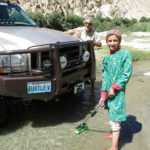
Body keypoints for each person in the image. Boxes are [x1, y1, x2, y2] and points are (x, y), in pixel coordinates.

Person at [99, 29, 132, 150]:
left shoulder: (126, 54)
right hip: (109, 92)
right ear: (106, 42)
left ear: (119, 41)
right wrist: (103, 95)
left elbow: (126, 74)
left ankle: (114, 147)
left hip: (118, 91)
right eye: (109, 41)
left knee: (115, 116)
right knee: (112, 113)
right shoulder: (106, 59)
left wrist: (114, 87)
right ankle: (115, 134)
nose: (112, 43)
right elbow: (105, 77)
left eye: (115, 40)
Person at [66, 17, 102, 88]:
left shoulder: (94, 33)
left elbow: (100, 44)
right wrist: (75, 32)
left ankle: (93, 87)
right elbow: (67, 32)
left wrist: (92, 42)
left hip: (90, 53)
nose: (87, 25)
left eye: (89, 24)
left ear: (92, 25)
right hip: (78, 53)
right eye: (86, 23)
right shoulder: (80, 29)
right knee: (77, 69)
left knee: (92, 70)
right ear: (84, 23)